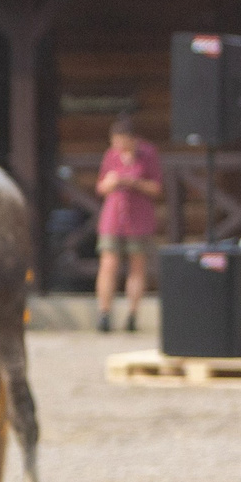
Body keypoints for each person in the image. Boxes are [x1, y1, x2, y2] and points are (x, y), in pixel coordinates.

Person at [95, 112, 162, 332]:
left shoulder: (148, 154)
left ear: (133, 139)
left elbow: (156, 188)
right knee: (108, 265)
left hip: (139, 219)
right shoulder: (111, 156)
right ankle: (104, 313)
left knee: (137, 266)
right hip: (113, 218)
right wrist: (111, 183)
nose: (118, 145)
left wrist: (132, 182)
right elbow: (101, 187)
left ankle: (133, 314)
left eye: (122, 140)